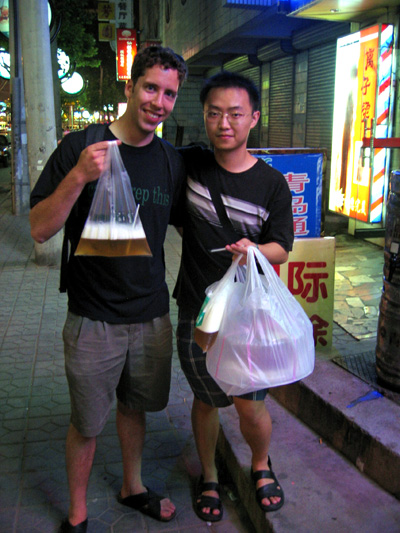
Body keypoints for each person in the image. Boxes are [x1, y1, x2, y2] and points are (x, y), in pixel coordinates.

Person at [30, 46, 187, 533]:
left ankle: (132, 486)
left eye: (169, 94)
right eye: (150, 87)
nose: (158, 101)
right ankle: (77, 513)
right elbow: (38, 228)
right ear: (130, 86)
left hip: (151, 316)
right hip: (92, 319)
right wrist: (78, 175)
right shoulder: (82, 146)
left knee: (135, 407)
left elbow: (196, 226)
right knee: (86, 423)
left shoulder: (170, 161)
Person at [174, 71, 294, 522]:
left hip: (249, 315)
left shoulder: (272, 184)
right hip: (197, 308)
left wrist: (255, 250)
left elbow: (283, 245)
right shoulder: (190, 166)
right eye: (214, 113)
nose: (224, 123)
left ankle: (260, 463)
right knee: (206, 399)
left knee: (251, 402)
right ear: (204, 118)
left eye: (235, 114)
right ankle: (209, 474)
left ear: (253, 119)